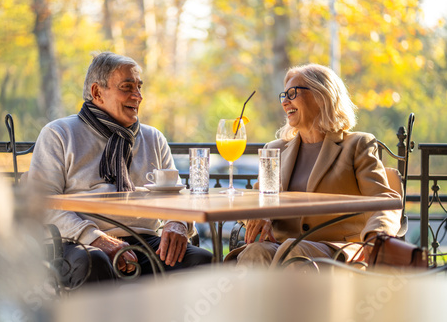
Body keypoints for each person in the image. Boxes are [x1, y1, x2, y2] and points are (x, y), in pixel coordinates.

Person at [27, 52, 212, 286]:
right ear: (97, 93)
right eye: (127, 87)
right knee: (95, 262)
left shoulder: (154, 138)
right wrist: (96, 239)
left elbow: (178, 197)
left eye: (139, 87)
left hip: (146, 242)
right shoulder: (60, 133)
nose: (138, 96)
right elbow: (42, 203)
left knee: (202, 260)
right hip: (78, 242)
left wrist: (178, 222)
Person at [231, 63, 401, 268]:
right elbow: (257, 199)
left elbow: (384, 199)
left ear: (322, 96)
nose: (285, 102)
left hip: (336, 247)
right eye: (283, 95)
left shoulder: (357, 145)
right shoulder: (275, 149)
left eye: (292, 93)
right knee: (256, 251)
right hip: (280, 244)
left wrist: (375, 236)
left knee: (294, 251)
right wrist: (259, 214)